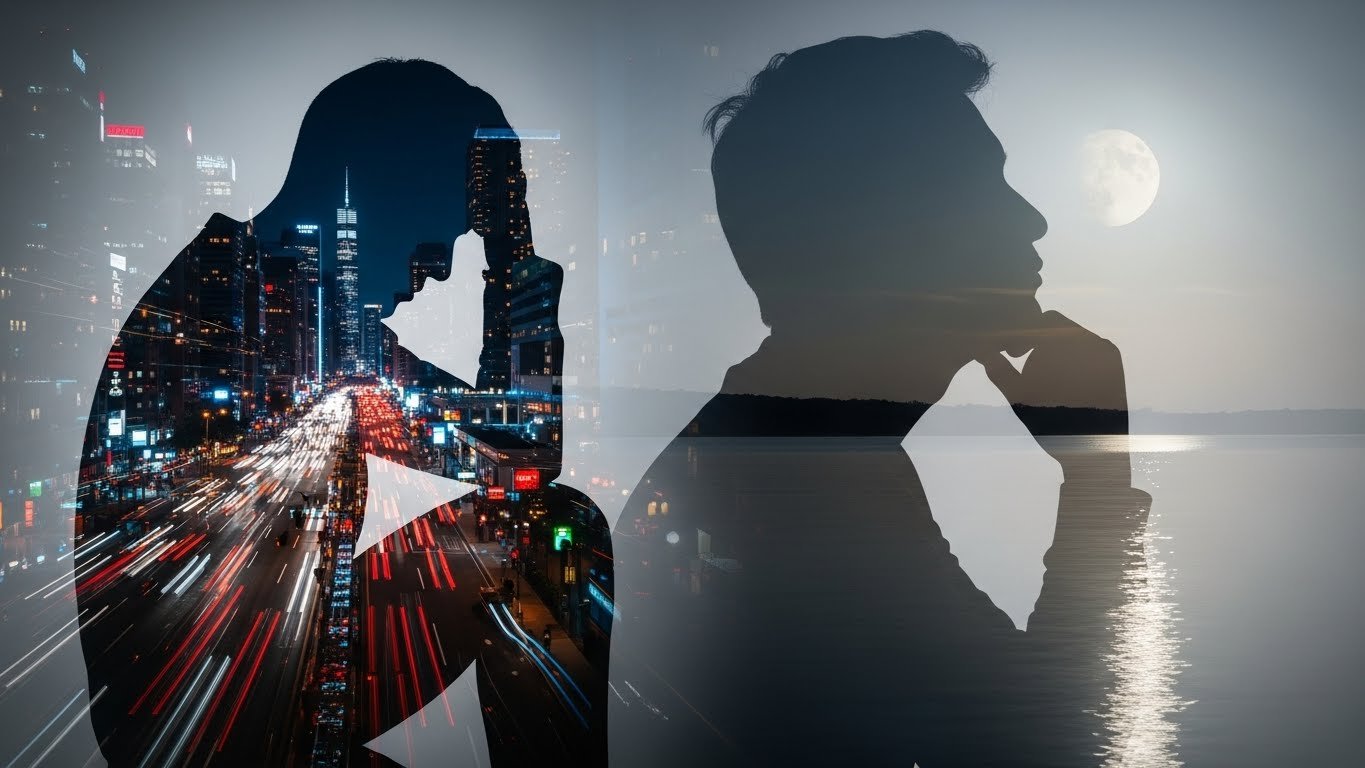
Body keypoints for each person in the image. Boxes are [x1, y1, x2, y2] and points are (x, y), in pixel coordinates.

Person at [607, 32, 1151, 766]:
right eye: (977, 186)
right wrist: (1092, 481)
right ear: (878, 233)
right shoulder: (805, 485)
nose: (1031, 220)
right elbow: (1053, 745)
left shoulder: (792, 449)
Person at [72, 59, 603, 765]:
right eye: (438, 244)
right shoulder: (201, 293)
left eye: (454, 251)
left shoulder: (228, 270)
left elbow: (524, 436)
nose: (435, 275)